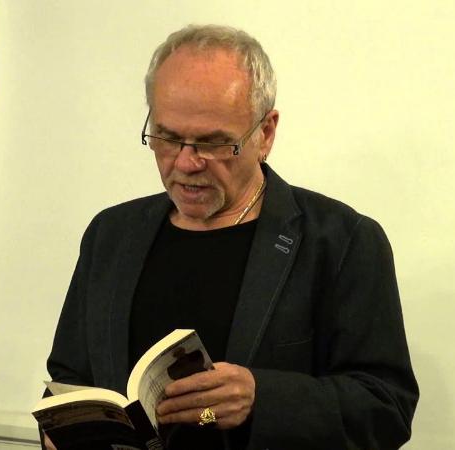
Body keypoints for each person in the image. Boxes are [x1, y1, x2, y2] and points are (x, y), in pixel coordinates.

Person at [45, 24, 418, 449]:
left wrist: (261, 398)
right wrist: (62, 430)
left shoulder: (341, 242)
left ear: (266, 133)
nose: (186, 163)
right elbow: (70, 377)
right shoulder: (111, 235)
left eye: (214, 143)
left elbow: (387, 407)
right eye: (168, 138)